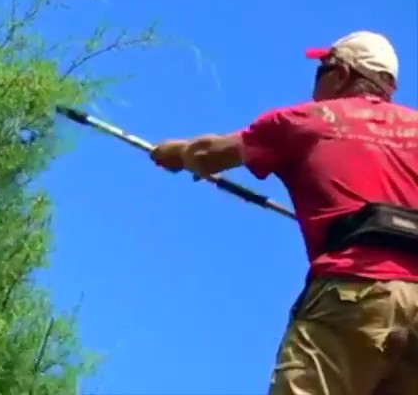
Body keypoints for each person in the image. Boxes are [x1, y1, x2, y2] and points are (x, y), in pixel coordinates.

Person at [149, 31, 418, 395]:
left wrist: (176, 153)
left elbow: (209, 153)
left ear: (341, 74)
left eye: (321, 70)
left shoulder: (305, 120)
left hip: (351, 294)